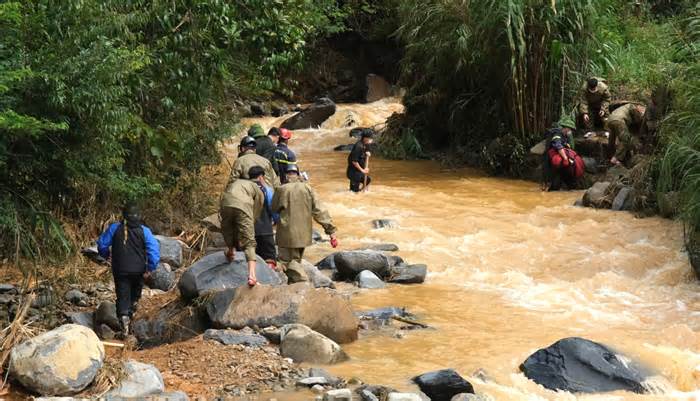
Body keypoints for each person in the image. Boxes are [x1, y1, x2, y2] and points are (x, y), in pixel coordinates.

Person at [97, 202, 160, 335]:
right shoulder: (145, 231)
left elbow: (102, 244)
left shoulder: (114, 228)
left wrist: (106, 255)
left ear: (124, 216)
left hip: (120, 270)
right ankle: (132, 318)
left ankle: (124, 324)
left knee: (122, 295)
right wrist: (150, 268)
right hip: (139, 271)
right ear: (139, 216)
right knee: (134, 297)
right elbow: (153, 251)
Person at [272, 164, 338, 283]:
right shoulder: (308, 188)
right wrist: (331, 231)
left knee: (287, 262)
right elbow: (319, 211)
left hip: (287, 234)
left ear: (286, 175)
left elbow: (274, 208)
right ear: (297, 174)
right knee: (296, 261)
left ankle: (303, 284)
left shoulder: (282, 189)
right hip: (304, 234)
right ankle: (294, 284)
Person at [220, 166, 267, 286]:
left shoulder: (237, 182)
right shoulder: (257, 188)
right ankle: (252, 276)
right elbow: (255, 213)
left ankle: (230, 251)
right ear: (261, 178)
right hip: (243, 206)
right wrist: (248, 229)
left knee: (228, 229)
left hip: (225, 203)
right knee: (249, 241)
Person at [542, 117, 584, 191]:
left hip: (557, 159)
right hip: (550, 158)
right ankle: (546, 187)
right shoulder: (557, 134)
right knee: (548, 179)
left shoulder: (564, 135)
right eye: (570, 129)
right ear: (566, 128)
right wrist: (565, 158)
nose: (570, 132)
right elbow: (558, 146)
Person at [254, 177, 277, 269]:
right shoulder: (265, 190)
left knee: (250, 258)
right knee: (269, 258)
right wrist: (276, 219)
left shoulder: (241, 190)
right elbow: (273, 206)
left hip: (248, 231)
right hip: (265, 230)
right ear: (260, 177)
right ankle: (270, 279)